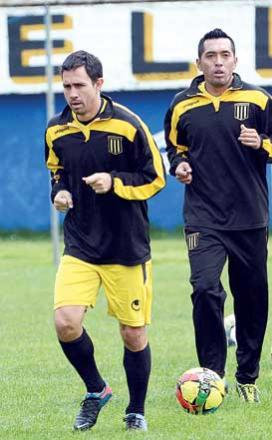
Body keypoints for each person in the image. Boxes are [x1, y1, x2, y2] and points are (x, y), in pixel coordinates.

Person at [164, 28, 272, 403]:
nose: (218, 62)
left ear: (235, 60)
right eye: (211, 56)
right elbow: (175, 147)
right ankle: (211, 375)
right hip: (203, 216)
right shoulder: (183, 104)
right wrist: (181, 165)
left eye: (225, 55)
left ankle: (248, 375)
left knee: (251, 296)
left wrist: (262, 144)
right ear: (199, 62)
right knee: (205, 288)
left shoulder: (258, 99)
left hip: (250, 216)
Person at [45, 50, 166, 431]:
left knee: (133, 334)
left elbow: (156, 178)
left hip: (125, 247)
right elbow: (57, 173)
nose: (72, 94)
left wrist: (114, 183)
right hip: (80, 244)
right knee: (66, 322)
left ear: (99, 84)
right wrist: (60, 194)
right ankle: (96, 389)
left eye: (79, 85)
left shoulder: (129, 125)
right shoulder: (56, 130)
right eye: (66, 86)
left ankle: (136, 410)